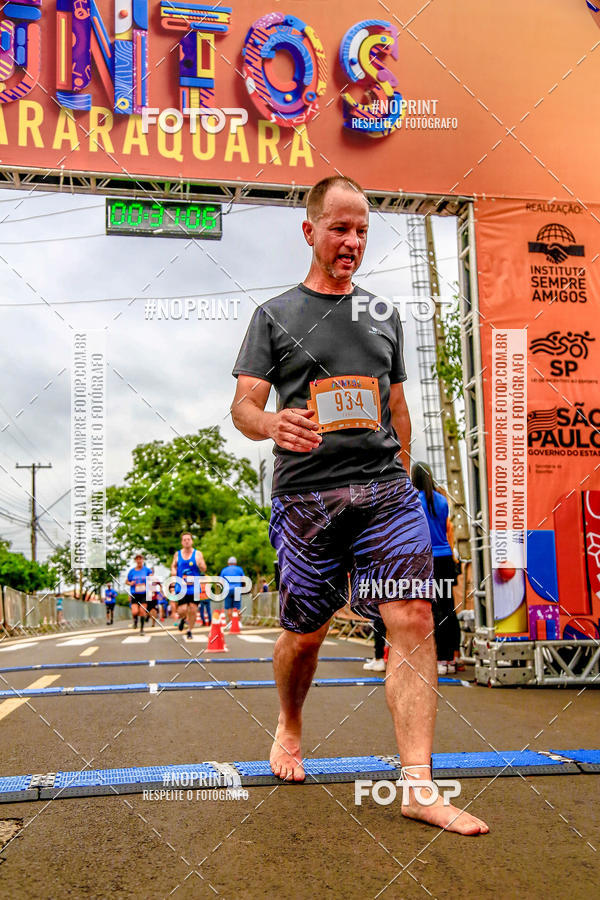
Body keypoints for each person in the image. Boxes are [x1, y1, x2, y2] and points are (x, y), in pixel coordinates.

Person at [231, 175, 488, 835]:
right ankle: (289, 724)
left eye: (362, 230)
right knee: (305, 635)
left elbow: (396, 405)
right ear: (310, 230)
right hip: (308, 499)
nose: (352, 242)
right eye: (340, 228)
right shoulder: (274, 316)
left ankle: (419, 787)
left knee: (410, 614)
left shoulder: (382, 316)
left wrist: (404, 479)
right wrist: (270, 426)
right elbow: (244, 405)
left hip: (384, 493)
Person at [411, 462, 462, 676]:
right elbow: (446, 529)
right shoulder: (442, 501)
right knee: (448, 608)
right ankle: (450, 657)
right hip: (445, 559)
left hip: (427, 559)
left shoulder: (414, 501)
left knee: (433, 610)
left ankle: (439, 658)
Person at [170, 532, 207, 640]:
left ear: (192, 541)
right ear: (182, 542)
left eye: (188, 539)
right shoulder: (177, 554)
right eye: (184, 539)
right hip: (181, 586)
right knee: (182, 610)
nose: (186, 541)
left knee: (193, 609)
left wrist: (201, 565)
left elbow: (204, 569)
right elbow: (173, 566)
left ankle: (190, 630)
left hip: (194, 587)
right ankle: (183, 618)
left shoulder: (198, 554)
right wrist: (173, 571)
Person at [126, 554, 153, 633]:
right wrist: (130, 583)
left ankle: (142, 629)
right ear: (135, 561)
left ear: (143, 560)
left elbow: (151, 577)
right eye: (137, 559)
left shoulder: (147, 570)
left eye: (140, 559)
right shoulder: (132, 571)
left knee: (142, 611)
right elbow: (127, 581)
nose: (139, 560)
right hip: (134, 593)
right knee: (134, 611)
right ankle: (135, 621)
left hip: (144, 593)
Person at [219, 556, 246, 624]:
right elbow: (243, 579)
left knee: (229, 608)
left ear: (228, 563)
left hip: (227, 590)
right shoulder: (239, 569)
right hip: (237, 590)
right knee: (237, 607)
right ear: (235, 563)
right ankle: (238, 623)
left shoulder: (224, 570)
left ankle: (231, 623)